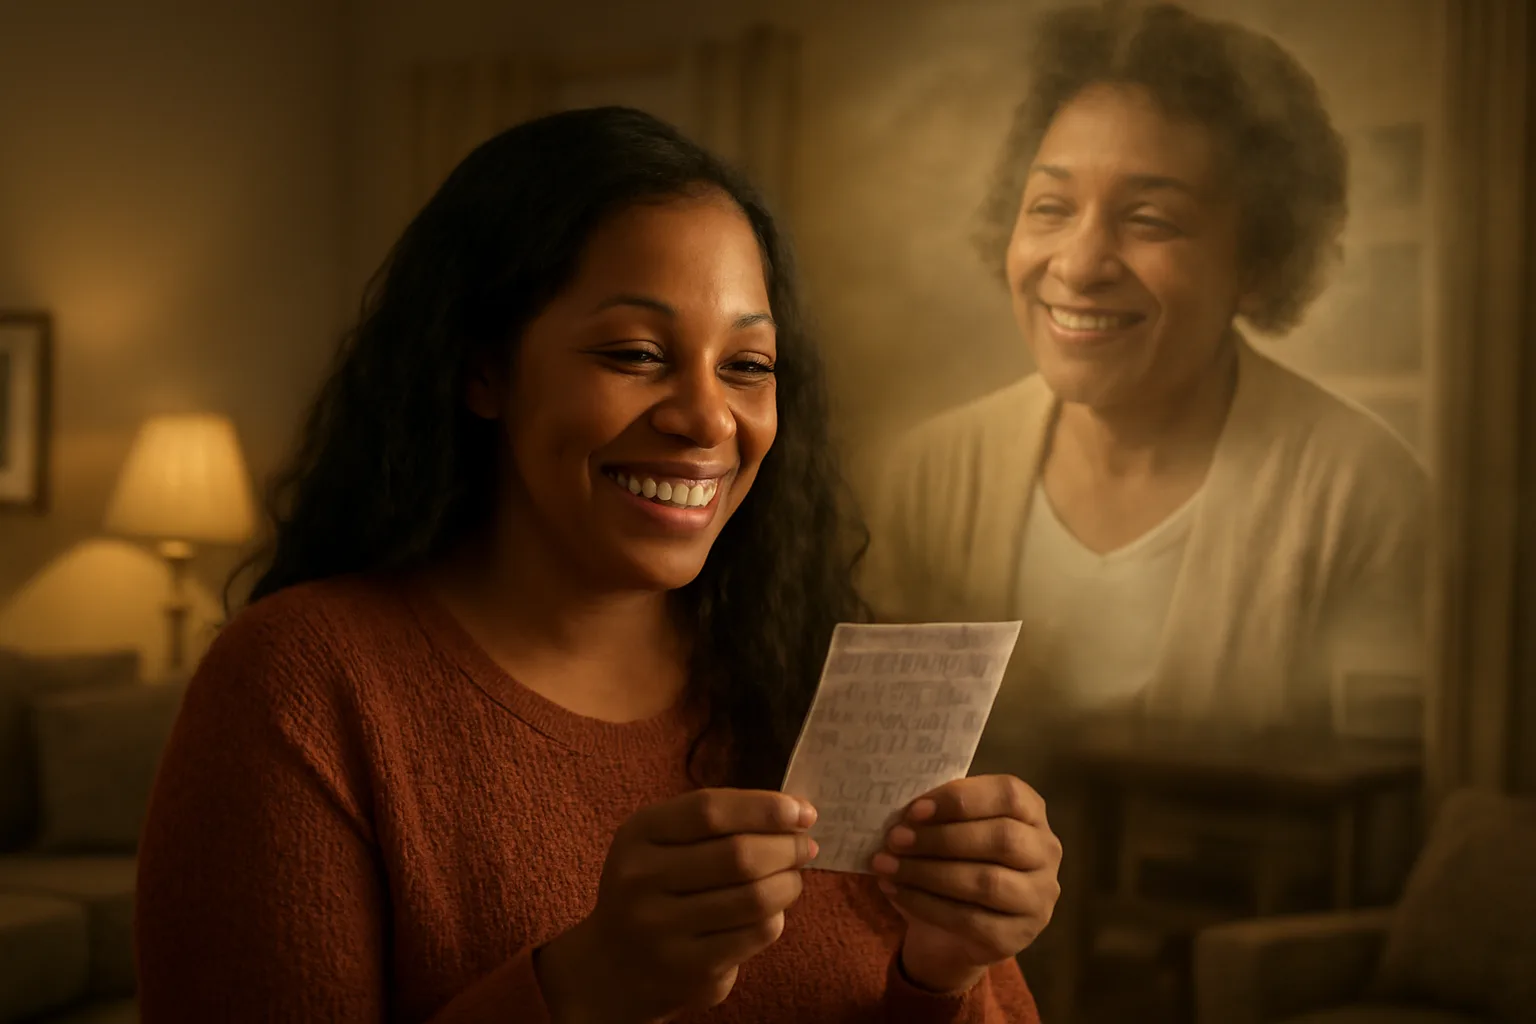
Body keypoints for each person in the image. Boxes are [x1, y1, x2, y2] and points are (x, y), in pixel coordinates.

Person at [133, 106, 1060, 1022]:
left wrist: (946, 975)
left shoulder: (813, 685)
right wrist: (588, 987)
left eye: (747, 366)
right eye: (636, 354)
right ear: (484, 370)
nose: (708, 418)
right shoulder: (303, 687)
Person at [860, 1, 1429, 778]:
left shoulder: (1364, 498)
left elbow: (1385, 818)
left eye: (1151, 220)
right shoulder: (932, 477)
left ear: (1258, 263)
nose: (1080, 264)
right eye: (1051, 208)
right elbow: (876, 785)